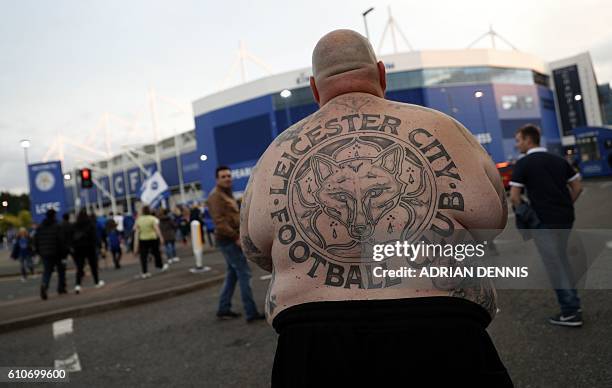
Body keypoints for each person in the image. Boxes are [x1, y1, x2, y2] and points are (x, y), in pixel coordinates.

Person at [240, 30, 511, 386]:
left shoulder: (272, 156)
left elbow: (253, 248)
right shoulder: (446, 128)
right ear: (382, 74)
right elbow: (493, 220)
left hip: (311, 347)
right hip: (446, 335)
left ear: (314, 87)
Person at [509, 124, 583, 327]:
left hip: (543, 222)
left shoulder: (523, 164)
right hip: (565, 219)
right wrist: (566, 204)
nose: (517, 144)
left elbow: (515, 197)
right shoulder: (558, 160)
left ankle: (570, 312)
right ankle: (573, 304)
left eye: (519, 140)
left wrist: (529, 217)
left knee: (555, 265)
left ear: (528, 140)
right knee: (562, 260)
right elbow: (577, 186)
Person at [208, 166, 265, 323]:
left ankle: (223, 308)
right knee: (244, 273)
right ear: (217, 179)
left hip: (230, 239)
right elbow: (219, 223)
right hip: (228, 241)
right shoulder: (216, 197)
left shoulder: (226, 194)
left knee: (233, 274)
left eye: (228, 176)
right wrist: (236, 238)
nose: (227, 178)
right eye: (223, 176)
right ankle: (251, 312)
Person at [34, 209, 66, 300]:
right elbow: (61, 240)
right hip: (56, 253)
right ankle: (61, 288)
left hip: (45, 253)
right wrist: (63, 252)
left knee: (47, 271)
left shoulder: (40, 227)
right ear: (54, 216)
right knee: (61, 271)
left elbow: (36, 240)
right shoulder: (57, 226)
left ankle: (44, 285)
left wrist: (39, 251)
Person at [72, 209, 105, 293]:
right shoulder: (90, 224)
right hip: (89, 247)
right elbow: (94, 236)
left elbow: (72, 237)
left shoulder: (75, 225)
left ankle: (77, 285)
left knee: (80, 267)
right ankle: (96, 282)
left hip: (79, 248)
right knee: (93, 265)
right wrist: (99, 246)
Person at [134, 205, 167, 278]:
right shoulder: (152, 219)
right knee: (156, 253)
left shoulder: (138, 219)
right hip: (153, 237)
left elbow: (135, 230)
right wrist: (161, 237)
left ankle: (145, 272)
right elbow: (156, 229)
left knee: (143, 256)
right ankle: (160, 266)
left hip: (143, 239)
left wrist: (135, 244)